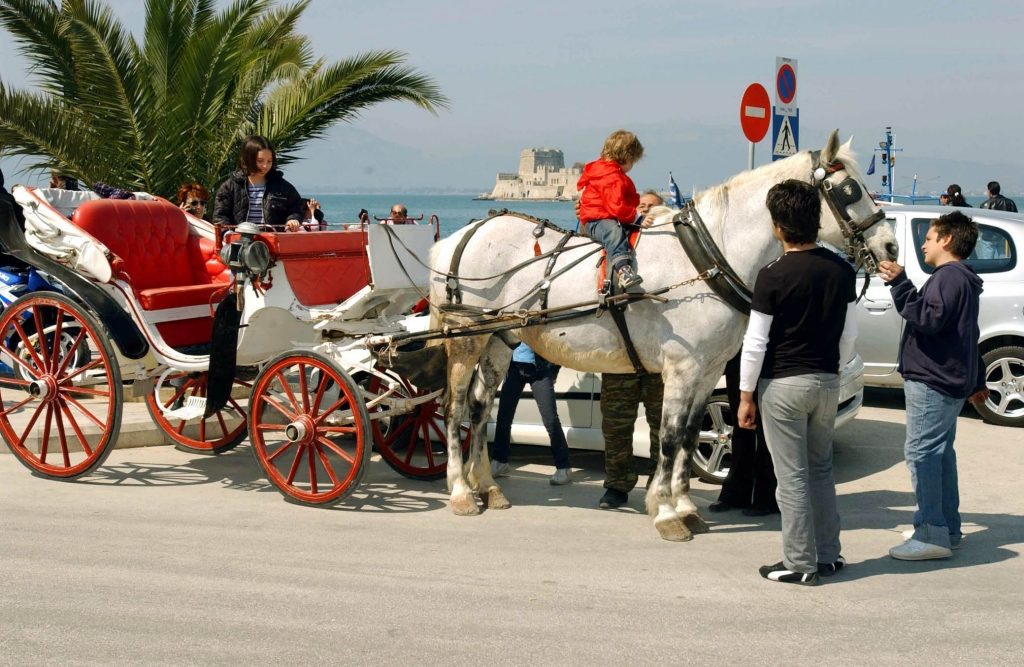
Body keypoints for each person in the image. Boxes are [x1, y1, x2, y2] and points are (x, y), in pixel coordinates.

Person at [738, 179, 857, 586]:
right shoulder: (842, 270)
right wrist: (835, 370)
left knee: (790, 477)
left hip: (784, 384)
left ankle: (799, 562)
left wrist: (745, 394)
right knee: (820, 470)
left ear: (777, 226)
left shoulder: (771, 275)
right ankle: (828, 555)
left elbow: (755, 343)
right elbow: (849, 335)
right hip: (827, 380)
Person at [878, 210, 987, 561]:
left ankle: (931, 534)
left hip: (932, 379)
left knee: (922, 454)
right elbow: (967, 332)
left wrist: (900, 283)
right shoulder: (961, 278)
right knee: (939, 456)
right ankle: (945, 528)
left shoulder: (948, 278)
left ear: (947, 240)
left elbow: (927, 318)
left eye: (929, 237)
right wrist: (978, 377)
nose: (923, 244)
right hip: (947, 379)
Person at [489, 342, 572, 485]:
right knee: (504, 417)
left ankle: (564, 467)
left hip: (540, 370)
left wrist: (554, 371)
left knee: (550, 419)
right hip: (513, 368)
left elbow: (556, 343)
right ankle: (500, 462)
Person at [707, 353, 780, 517]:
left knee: (766, 431)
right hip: (742, 357)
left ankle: (767, 497)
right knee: (741, 427)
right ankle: (735, 493)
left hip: (771, 357)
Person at [577, 129, 645, 290]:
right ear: (627, 157)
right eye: (633, 161)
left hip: (603, 216)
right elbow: (616, 207)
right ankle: (622, 269)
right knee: (613, 232)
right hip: (596, 221)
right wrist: (637, 217)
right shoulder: (611, 177)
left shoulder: (604, 171)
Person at [213, 135, 305, 232]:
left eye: (269, 161)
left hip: (273, 241)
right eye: (260, 161)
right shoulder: (229, 186)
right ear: (248, 159)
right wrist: (228, 234)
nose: (265, 166)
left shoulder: (282, 186)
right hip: (240, 242)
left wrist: (293, 219)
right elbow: (220, 216)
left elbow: (297, 208)